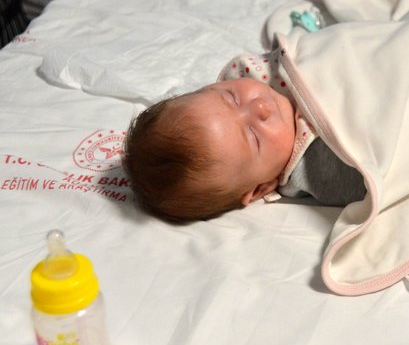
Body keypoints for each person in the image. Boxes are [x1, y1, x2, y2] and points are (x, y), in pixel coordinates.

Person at [122, 50, 366, 223]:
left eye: (232, 97)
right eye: (254, 136)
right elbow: (381, 171)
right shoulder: (317, 169)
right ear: (261, 188)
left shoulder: (260, 73)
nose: (259, 106)